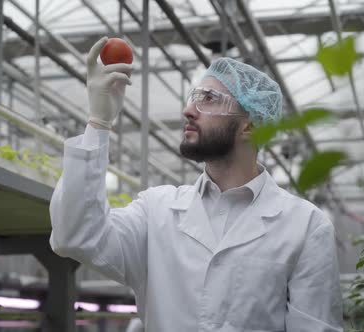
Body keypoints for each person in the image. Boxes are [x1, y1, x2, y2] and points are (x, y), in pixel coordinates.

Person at [50, 37, 343, 332]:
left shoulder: (305, 227)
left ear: (251, 126)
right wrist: (98, 123)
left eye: (209, 99)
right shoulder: (157, 211)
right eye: (194, 97)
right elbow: (75, 235)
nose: (188, 110)